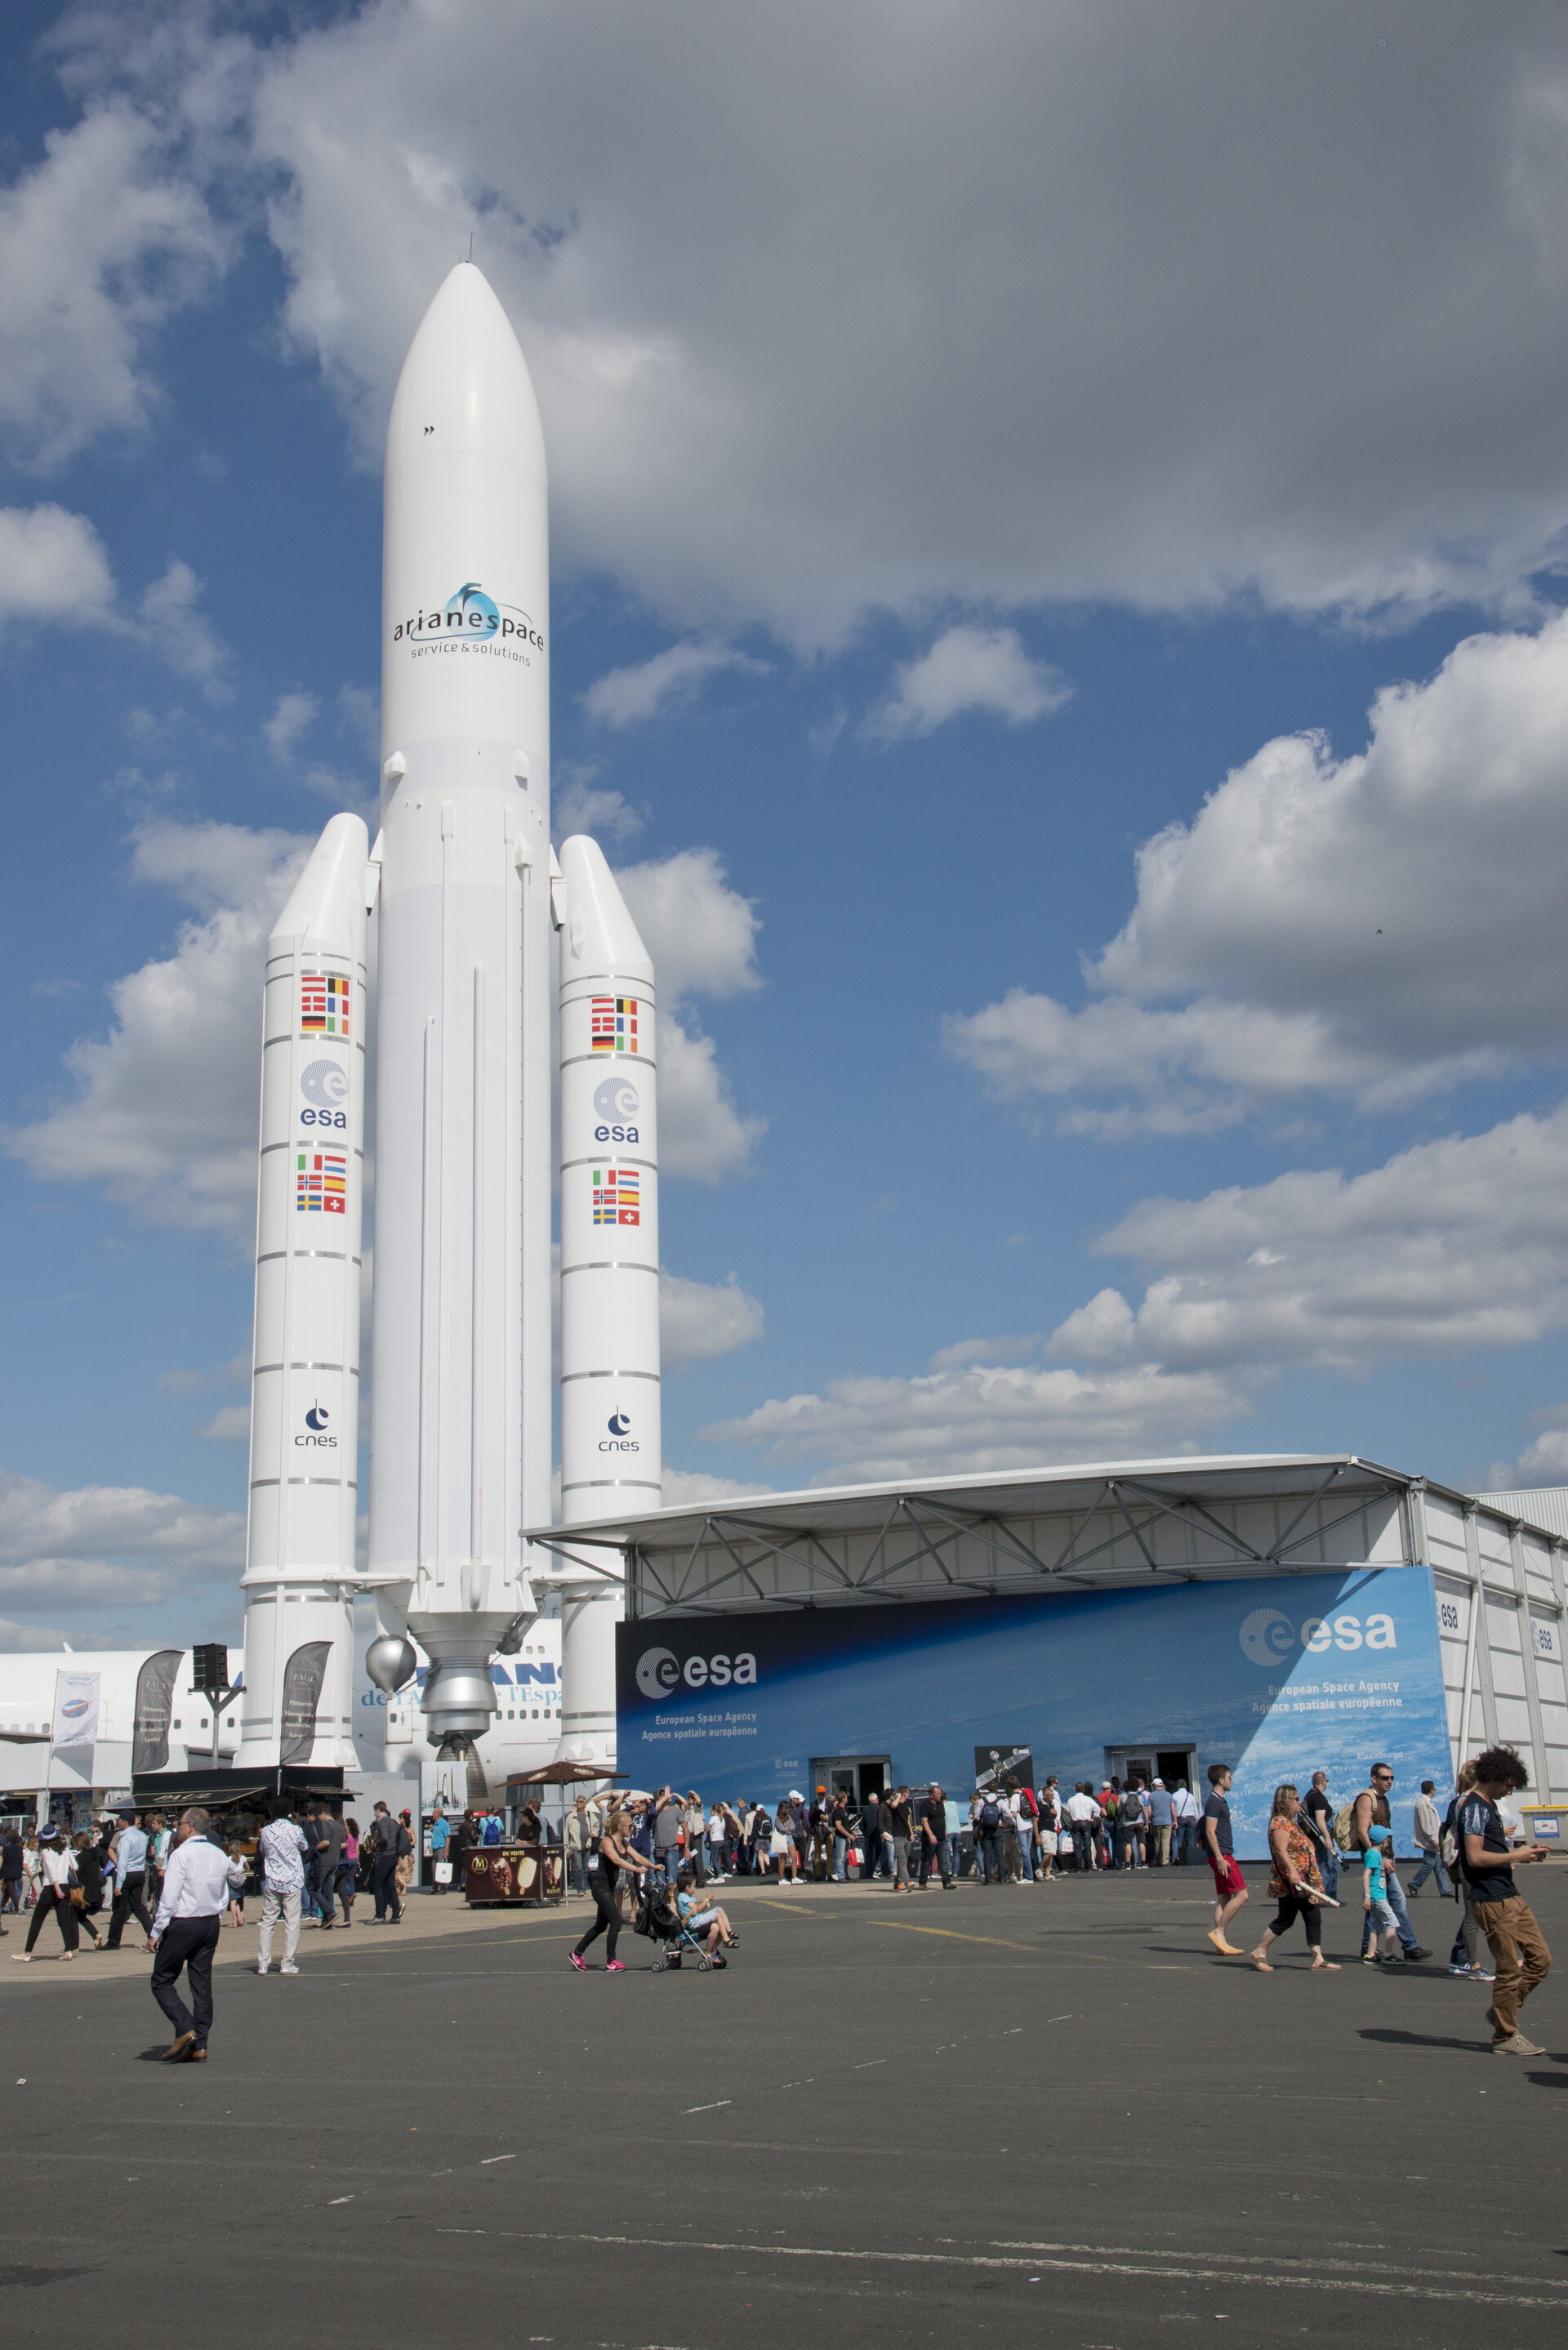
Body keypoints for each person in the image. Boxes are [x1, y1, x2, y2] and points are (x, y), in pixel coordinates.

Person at [1458, 1744, 1553, 2055]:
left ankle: (1503, 2009)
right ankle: (1505, 2035)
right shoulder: (1473, 1807)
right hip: (1491, 1899)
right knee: (1509, 1969)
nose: (1510, 1791)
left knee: (1541, 1960)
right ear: (1495, 1777)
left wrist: (1522, 1853)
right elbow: (1474, 1857)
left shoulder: (1487, 1807)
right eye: (1509, 1785)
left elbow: (1493, 1852)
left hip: (1508, 1894)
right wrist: (1518, 1854)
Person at [148, 1808, 245, 2061]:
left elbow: (169, 1898)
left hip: (184, 1921)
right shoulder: (218, 1853)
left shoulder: (181, 1854)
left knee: (161, 1980)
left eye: (180, 1824)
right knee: (201, 1983)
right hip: (209, 1922)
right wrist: (218, 1914)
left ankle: (185, 2029)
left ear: (190, 1826)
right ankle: (200, 2042)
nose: (178, 1828)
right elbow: (229, 1886)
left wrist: (157, 1930)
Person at [1248, 1785, 1339, 1974]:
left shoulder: (1291, 1821)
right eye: (1296, 1799)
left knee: (1313, 1915)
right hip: (1292, 1882)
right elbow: (1281, 1850)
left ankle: (1317, 1958)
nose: (1300, 1803)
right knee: (1286, 1918)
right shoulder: (1280, 1823)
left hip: (1304, 1880)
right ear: (1286, 1801)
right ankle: (1259, 1950)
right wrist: (1293, 1872)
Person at [1351, 1764, 1431, 1964]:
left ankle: (1367, 1947)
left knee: (1379, 1904)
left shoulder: (1383, 1799)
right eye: (1385, 1778)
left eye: (1392, 1778)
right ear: (1374, 1778)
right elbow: (1363, 1832)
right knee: (1397, 1900)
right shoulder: (1366, 1798)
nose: (1390, 1781)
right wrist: (1380, 1859)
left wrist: (1390, 1856)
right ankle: (1410, 1946)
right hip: (1378, 1861)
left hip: (1386, 1859)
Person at [570, 1808, 651, 1971]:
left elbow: (637, 1857)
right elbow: (616, 1860)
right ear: (620, 1827)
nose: (632, 1828)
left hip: (610, 1887)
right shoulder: (607, 1842)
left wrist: (653, 1865)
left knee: (600, 1926)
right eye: (629, 1825)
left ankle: (577, 1953)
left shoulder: (624, 1843)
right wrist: (635, 1870)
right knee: (616, 1922)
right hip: (600, 1888)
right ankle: (611, 1961)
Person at [11, 1825, 79, 1961]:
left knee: (37, 1918)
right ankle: (68, 1950)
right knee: (63, 1919)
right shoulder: (65, 1849)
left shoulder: (46, 1851)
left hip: (51, 1887)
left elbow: (52, 1870)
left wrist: (56, 1886)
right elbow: (75, 1866)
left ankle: (27, 1952)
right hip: (65, 1885)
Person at [255, 1802, 310, 1974]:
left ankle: (263, 1962)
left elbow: (263, 1850)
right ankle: (287, 1962)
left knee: (268, 1920)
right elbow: (304, 1847)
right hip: (292, 1879)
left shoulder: (266, 1831)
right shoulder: (296, 1830)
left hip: (273, 1878)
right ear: (289, 1814)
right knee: (292, 1922)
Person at [1202, 1763, 1249, 1955]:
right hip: (1223, 1856)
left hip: (1221, 1854)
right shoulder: (1214, 1801)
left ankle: (1219, 1945)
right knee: (1243, 1895)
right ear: (1221, 1780)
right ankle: (1219, 1932)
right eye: (1230, 1777)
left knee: (1223, 1898)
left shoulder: (1219, 1800)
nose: (1232, 1780)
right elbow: (1210, 1832)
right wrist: (1221, 1859)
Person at [105, 1808, 154, 1951]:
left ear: (124, 1822)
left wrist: (118, 1885)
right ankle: (153, 1933)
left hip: (128, 1874)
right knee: (137, 1906)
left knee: (119, 1908)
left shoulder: (125, 1837)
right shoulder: (142, 1835)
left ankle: (113, 1941)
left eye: (119, 1820)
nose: (118, 1822)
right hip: (139, 1872)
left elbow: (122, 1862)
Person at [675, 1866, 737, 1962]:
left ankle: (727, 1934)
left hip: (698, 1918)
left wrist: (706, 1901)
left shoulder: (688, 1897)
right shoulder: (683, 1897)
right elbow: (698, 1909)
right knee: (718, 1912)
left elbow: (699, 1910)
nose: (695, 1888)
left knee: (719, 1918)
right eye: (694, 1886)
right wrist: (706, 1899)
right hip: (694, 1922)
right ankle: (726, 1938)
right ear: (687, 1887)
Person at [1362, 1823, 1401, 1964]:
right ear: (1383, 1841)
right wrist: (1367, 1896)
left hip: (1376, 1896)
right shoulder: (1374, 1855)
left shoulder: (1374, 1854)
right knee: (1392, 1922)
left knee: (1376, 1925)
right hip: (1376, 1896)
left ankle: (1371, 1954)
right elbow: (1366, 1875)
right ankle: (1388, 1954)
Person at [365, 1801, 407, 1923]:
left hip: (385, 1855)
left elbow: (385, 1837)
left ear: (378, 1810)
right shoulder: (393, 1821)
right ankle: (395, 1916)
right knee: (391, 1886)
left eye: (375, 1812)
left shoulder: (382, 1821)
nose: (375, 1814)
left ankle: (379, 1915)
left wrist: (375, 1845)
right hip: (394, 1855)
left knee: (377, 1884)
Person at [1408, 1780, 1450, 1898]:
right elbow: (1426, 1825)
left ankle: (1444, 1889)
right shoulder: (1423, 1804)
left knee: (1438, 1863)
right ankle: (1414, 1884)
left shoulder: (1426, 1802)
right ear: (1432, 1790)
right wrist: (1435, 1840)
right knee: (1429, 1864)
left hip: (1432, 1839)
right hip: (1430, 1840)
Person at [1300, 1770, 1338, 1900]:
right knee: (1324, 1866)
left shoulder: (1309, 1795)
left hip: (1314, 1837)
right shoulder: (1318, 1798)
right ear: (1323, 1782)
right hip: (1320, 1838)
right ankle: (1322, 1896)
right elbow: (1320, 1820)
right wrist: (1328, 1838)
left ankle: (1331, 1894)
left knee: (1333, 1865)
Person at [312, 1805, 347, 1928]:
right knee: (328, 1891)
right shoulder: (339, 1826)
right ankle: (327, 1921)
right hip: (335, 1861)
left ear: (323, 1813)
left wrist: (315, 1848)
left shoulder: (326, 1824)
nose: (319, 1819)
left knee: (314, 1889)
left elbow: (326, 1842)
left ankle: (330, 1913)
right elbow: (344, 1844)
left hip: (325, 1861)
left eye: (319, 1816)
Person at [70, 1834, 106, 1947]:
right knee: (81, 1916)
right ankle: (96, 1935)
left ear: (79, 1843)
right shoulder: (94, 1855)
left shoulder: (80, 1857)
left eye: (75, 1843)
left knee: (73, 1916)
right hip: (96, 1892)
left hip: (84, 1894)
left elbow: (76, 1877)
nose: (74, 1845)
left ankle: (73, 1945)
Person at [917, 1781, 953, 1889]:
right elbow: (924, 1821)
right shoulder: (925, 1805)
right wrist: (931, 1835)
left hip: (942, 1838)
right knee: (927, 1860)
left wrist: (945, 1831)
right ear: (931, 1795)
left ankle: (946, 1882)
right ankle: (923, 1882)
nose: (940, 1796)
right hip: (929, 1839)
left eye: (940, 1794)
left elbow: (943, 1819)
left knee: (943, 1860)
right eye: (937, 1794)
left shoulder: (940, 1804)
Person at [973, 1787, 1006, 1884]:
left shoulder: (982, 1801)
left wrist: (984, 1822)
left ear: (987, 1790)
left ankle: (988, 1879)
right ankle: (1003, 1878)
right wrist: (1004, 1824)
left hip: (986, 1830)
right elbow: (1008, 1814)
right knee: (1000, 1854)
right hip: (998, 1829)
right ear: (996, 1790)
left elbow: (976, 1816)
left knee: (987, 1855)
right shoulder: (1000, 1801)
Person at [884, 1786, 914, 1890]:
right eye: (908, 1793)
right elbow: (893, 1805)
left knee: (904, 1860)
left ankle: (897, 1883)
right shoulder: (895, 1804)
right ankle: (907, 1882)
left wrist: (911, 1833)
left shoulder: (906, 1806)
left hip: (906, 1835)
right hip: (898, 1836)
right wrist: (898, 1797)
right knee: (901, 1860)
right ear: (904, 1793)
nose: (909, 1795)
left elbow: (908, 1821)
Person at [771, 1799, 800, 1884]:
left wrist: (789, 1829)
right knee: (783, 1859)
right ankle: (781, 1879)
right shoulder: (777, 1818)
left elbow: (794, 1827)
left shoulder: (789, 1817)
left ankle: (794, 1878)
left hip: (790, 1838)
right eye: (787, 1808)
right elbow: (782, 1829)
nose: (788, 1810)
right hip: (782, 1839)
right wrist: (788, 1828)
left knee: (794, 1857)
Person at [1172, 1780, 1200, 1864]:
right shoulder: (1191, 1796)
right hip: (1190, 1818)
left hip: (1180, 1818)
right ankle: (1192, 1858)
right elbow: (1195, 1808)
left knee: (1179, 1839)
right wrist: (1197, 1818)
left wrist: (1173, 1820)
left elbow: (1173, 1809)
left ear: (1177, 1786)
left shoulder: (1174, 1795)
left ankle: (1178, 1858)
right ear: (1186, 1786)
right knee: (1191, 1839)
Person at [1147, 1779, 1174, 1867]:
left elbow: (1149, 1811)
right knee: (1165, 1841)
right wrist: (1175, 1820)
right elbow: (1173, 1809)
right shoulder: (1169, 1795)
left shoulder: (1151, 1796)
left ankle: (1158, 1860)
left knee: (1157, 1841)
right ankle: (1165, 1860)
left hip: (1156, 1821)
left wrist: (1151, 1819)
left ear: (1154, 1785)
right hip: (1167, 1821)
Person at [225, 1842, 247, 1929]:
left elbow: (225, 1869)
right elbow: (247, 1868)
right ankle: (240, 1919)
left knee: (232, 1902)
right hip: (240, 1880)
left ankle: (234, 1921)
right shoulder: (242, 1858)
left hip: (231, 1880)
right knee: (237, 1900)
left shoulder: (228, 1859)